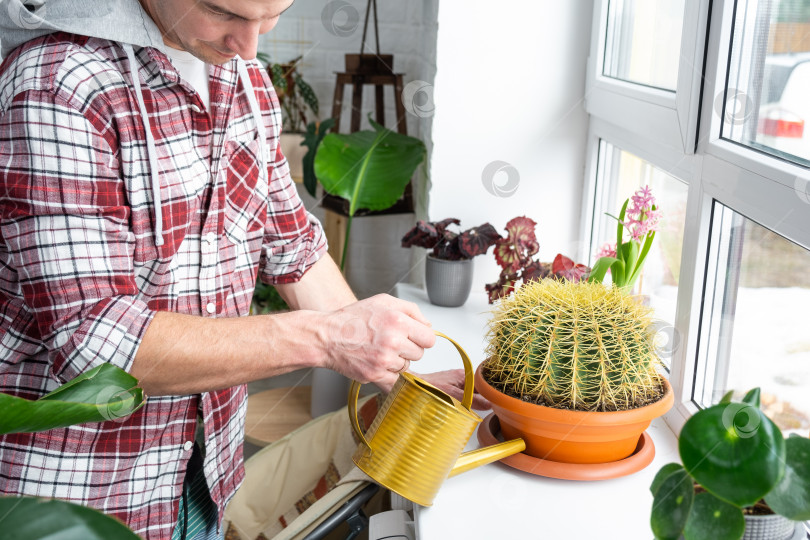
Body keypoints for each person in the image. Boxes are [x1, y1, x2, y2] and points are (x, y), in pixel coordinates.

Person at [0, 0, 488, 538]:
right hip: (82, 498)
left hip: (203, 482)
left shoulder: (245, 81)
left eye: (273, 14)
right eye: (222, 11)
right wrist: (325, 339)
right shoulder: (57, 86)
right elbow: (96, 344)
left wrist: (407, 383)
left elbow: (296, 252)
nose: (250, 47)